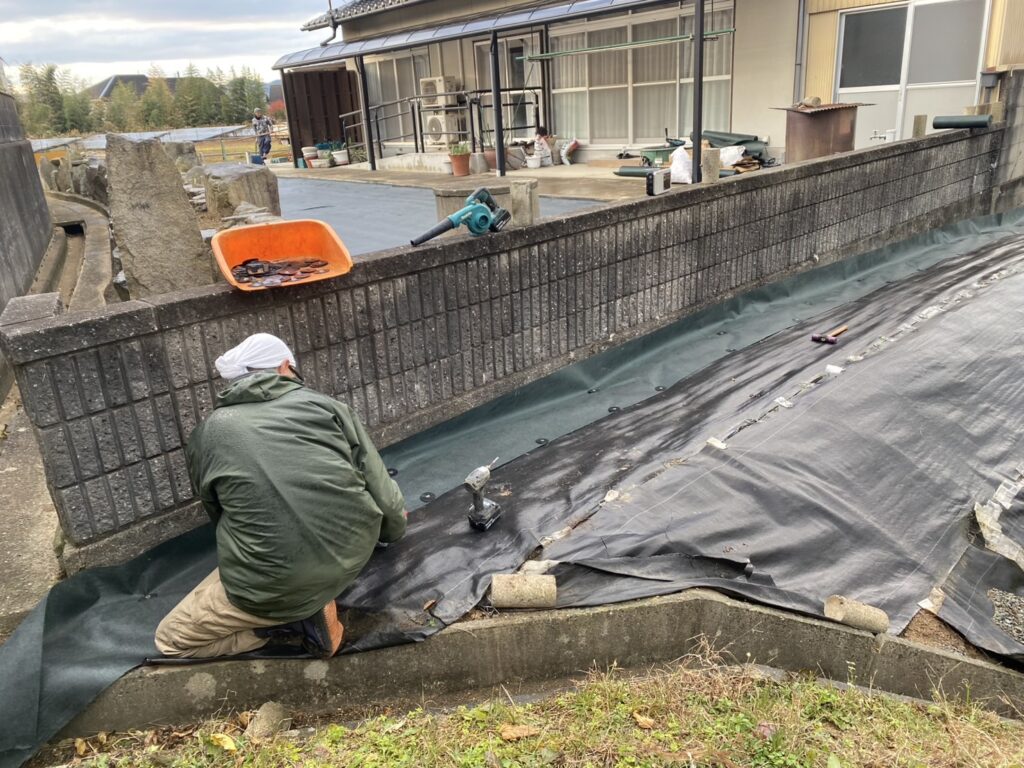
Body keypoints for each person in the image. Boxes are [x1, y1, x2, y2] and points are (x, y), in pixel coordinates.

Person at [155, 333, 407, 659]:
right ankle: (306, 607)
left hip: (276, 585)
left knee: (170, 639)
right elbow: (381, 488)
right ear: (285, 367)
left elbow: (219, 514)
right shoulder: (326, 406)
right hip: (354, 552)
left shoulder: (207, 434)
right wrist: (393, 530)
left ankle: (286, 626)